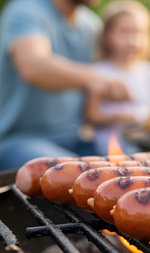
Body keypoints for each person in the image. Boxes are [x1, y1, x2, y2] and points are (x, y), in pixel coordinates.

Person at [0, 0, 131, 170]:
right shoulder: (27, 11)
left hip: (76, 139)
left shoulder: (91, 26)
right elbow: (32, 66)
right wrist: (95, 79)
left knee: (128, 169)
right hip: (20, 140)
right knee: (87, 175)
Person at [85, 0, 150, 155]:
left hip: (144, 145)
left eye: (139, 32)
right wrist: (119, 116)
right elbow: (91, 115)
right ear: (108, 36)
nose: (133, 40)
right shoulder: (99, 72)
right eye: (125, 32)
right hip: (108, 146)